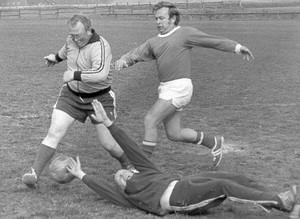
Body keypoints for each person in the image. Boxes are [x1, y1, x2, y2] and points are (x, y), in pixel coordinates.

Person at [66, 99, 299, 218]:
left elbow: (130, 147)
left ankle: (279, 198)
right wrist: (81, 175)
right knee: (223, 186)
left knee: (234, 176)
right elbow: (106, 191)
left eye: (123, 172)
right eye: (120, 178)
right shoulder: (131, 196)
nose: (123, 174)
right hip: (179, 199)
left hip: (185, 182)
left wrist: (108, 123)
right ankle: (280, 202)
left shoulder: (146, 172)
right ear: (122, 188)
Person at [114, 1, 255, 166]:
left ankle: (141, 167)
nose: (158, 22)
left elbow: (212, 41)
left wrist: (237, 47)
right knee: (174, 133)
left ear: (173, 18)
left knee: (150, 120)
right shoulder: (153, 42)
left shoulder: (185, 34)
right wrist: (124, 60)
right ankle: (213, 142)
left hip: (180, 87)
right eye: (156, 19)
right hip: (166, 88)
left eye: (161, 18)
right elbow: (136, 54)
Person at [22, 14, 136, 190]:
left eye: (78, 34)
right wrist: (55, 58)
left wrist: (74, 75)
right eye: (72, 34)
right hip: (71, 96)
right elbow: (66, 50)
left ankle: (128, 164)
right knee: (54, 131)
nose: (75, 38)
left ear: (89, 30)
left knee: (109, 144)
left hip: (99, 98)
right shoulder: (71, 40)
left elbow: (101, 74)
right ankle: (34, 174)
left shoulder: (100, 46)